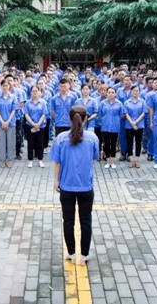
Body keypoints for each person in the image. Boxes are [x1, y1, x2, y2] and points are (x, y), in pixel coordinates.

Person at [50, 105, 99, 265]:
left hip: (67, 185)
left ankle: (71, 253)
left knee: (68, 220)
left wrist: (56, 181)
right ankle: (84, 255)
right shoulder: (92, 138)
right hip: (85, 185)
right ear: (85, 119)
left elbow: (57, 163)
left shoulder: (61, 138)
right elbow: (94, 157)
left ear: (69, 119)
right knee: (86, 221)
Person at [0, 79, 17, 168]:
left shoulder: (13, 97)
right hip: (0, 123)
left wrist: (7, 121)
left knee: (10, 142)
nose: (5, 87)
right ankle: (2, 159)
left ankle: (10, 159)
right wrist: (3, 122)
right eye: (3, 86)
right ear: (1, 87)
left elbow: (14, 110)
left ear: (9, 87)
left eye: (7, 86)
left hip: (11, 123)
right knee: (2, 142)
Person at [98, 87, 124, 169]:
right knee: (106, 144)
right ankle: (107, 160)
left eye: (112, 92)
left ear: (115, 94)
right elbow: (100, 113)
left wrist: (116, 119)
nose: (111, 94)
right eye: (109, 92)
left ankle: (112, 161)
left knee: (113, 143)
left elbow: (122, 114)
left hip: (115, 126)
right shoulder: (103, 103)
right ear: (107, 93)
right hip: (105, 126)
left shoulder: (119, 103)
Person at [24, 85, 48, 168]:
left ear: (39, 92)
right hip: (30, 125)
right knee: (30, 143)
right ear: (31, 92)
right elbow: (26, 114)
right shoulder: (27, 103)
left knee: (40, 143)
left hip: (40, 126)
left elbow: (44, 114)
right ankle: (30, 160)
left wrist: (38, 124)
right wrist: (33, 124)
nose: (35, 93)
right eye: (33, 91)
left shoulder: (43, 102)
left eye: (36, 91)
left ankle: (40, 160)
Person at [123, 85, 147, 168]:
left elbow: (144, 113)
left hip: (139, 125)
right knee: (129, 143)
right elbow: (126, 114)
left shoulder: (142, 102)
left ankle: (137, 159)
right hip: (129, 125)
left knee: (138, 142)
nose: (135, 92)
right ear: (131, 91)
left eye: (137, 91)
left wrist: (136, 122)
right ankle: (131, 159)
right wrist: (132, 123)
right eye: (134, 91)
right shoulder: (126, 102)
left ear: (139, 92)